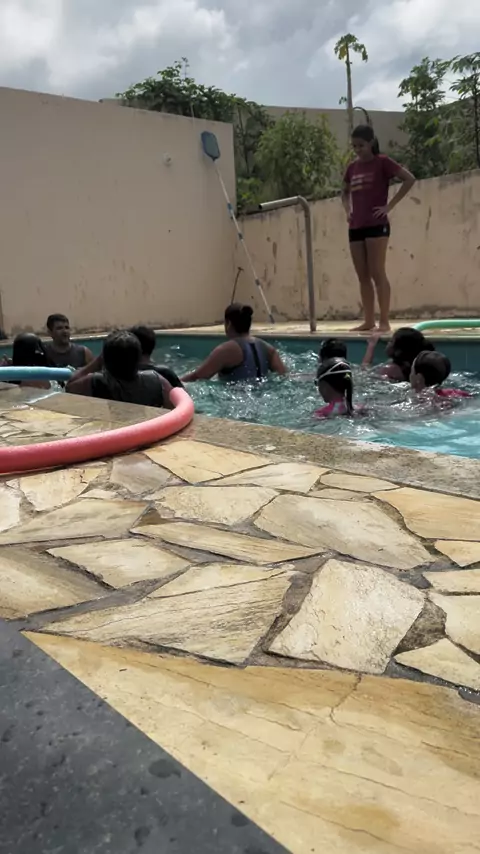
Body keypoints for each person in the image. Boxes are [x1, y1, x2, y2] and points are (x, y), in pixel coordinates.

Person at [342, 125, 416, 333]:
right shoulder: (352, 167)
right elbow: (344, 192)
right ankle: (368, 320)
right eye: (354, 146)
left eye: (361, 145)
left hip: (376, 225)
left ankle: (384, 321)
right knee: (362, 275)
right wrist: (348, 210)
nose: (358, 150)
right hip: (356, 226)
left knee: (377, 272)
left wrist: (389, 206)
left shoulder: (382, 162)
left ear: (371, 143)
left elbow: (409, 179)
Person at [181, 303, 287, 382]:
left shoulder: (225, 350)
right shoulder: (269, 349)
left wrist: (176, 382)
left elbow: (197, 377)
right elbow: (284, 377)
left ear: (229, 324)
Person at [66, 330, 173, 408]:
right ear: (139, 358)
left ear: (105, 359)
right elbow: (176, 409)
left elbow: (70, 387)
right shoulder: (156, 380)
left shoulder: (96, 382)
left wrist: (96, 363)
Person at [362, 328, 435, 381]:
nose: (388, 343)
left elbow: (364, 374)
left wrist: (371, 346)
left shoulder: (390, 370)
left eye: (391, 341)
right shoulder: (417, 366)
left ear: (398, 351)